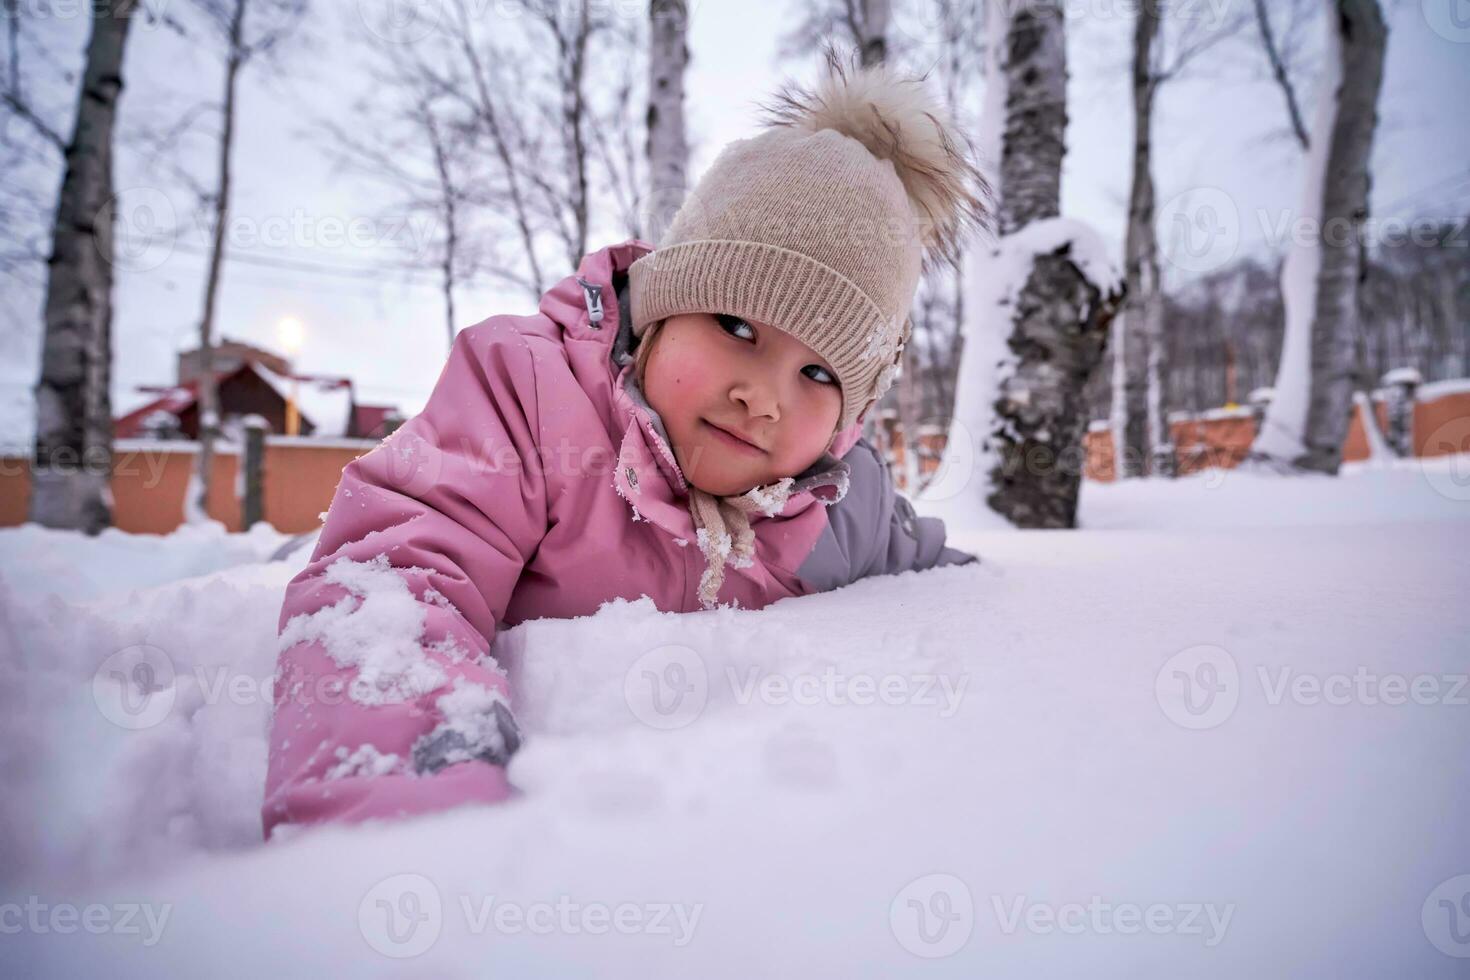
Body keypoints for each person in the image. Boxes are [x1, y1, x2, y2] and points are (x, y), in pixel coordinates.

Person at [261, 56, 988, 840]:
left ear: (851, 418)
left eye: (817, 372)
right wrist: (413, 829)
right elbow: (396, 580)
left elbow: (957, 597)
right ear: (660, 312)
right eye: (736, 327)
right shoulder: (531, 400)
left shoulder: (847, 508)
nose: (764, 396)